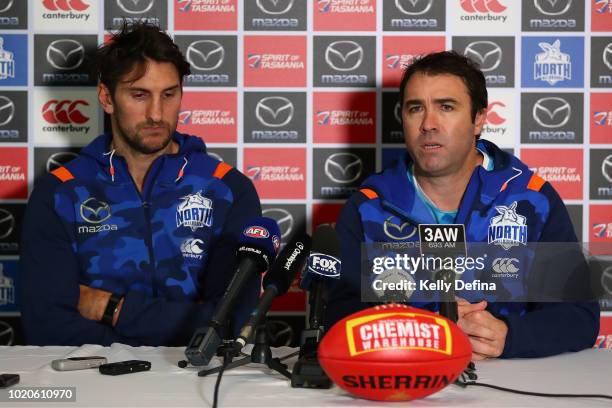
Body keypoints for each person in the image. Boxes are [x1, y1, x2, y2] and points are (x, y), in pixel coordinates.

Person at [327, 51, 599, 359]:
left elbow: (579, 317)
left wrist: (508, 336)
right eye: (415, 108)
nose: (428, 123)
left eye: (446, 107)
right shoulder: (368, 206)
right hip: (405, 385)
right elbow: (334, 315)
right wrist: (422, 327)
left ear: (479, 119)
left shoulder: (531, 199)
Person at [20, 23, 262, 346]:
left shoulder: (228, 190)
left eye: (169, 94)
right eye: (139, 95)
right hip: (95, 384)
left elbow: (230, 322)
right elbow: (45, 325)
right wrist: (180, 324)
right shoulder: (59, 192)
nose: (156, 114)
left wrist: (111, 308)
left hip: (196, 384)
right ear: (107, 98)